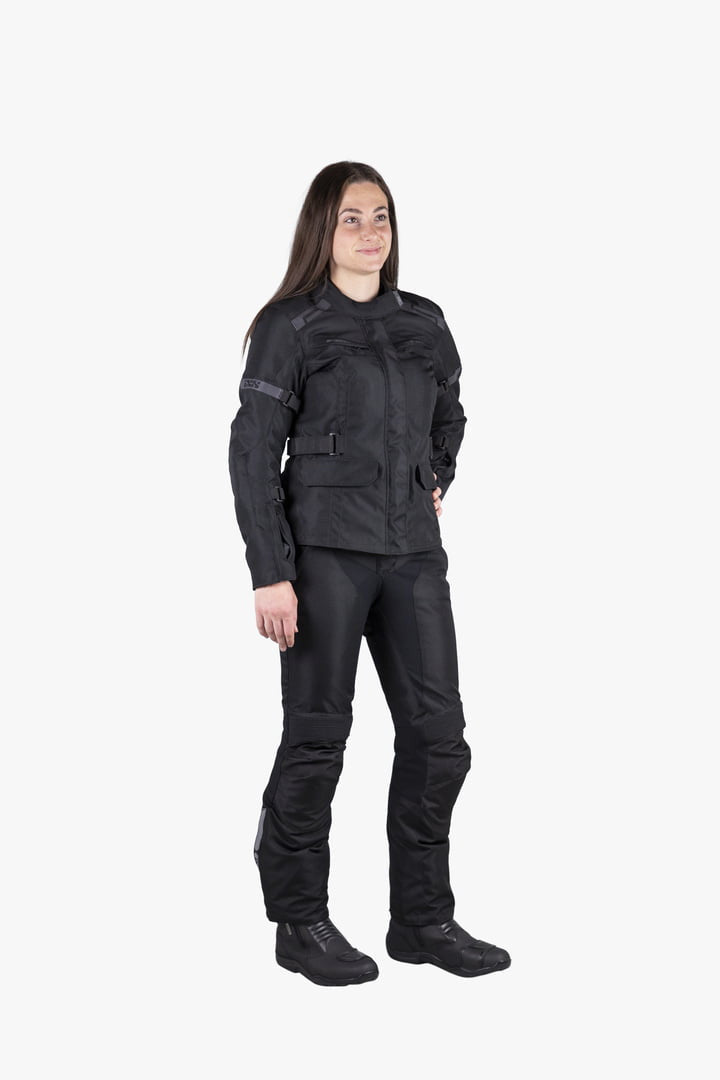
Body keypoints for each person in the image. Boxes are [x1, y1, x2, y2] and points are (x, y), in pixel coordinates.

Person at [228, 161, 511, 986]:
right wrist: (271, 572)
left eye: (380, 215)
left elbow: (450, 414)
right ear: (324, 229)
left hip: (413, 556)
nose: (369, 231)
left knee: (440, 740)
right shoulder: (291, 325)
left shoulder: (424, 321)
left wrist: (435, 477)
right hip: (323, 557)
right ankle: (300, 922)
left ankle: (423, 920)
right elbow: (253, 452)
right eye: (351, 217)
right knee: (318, 739)